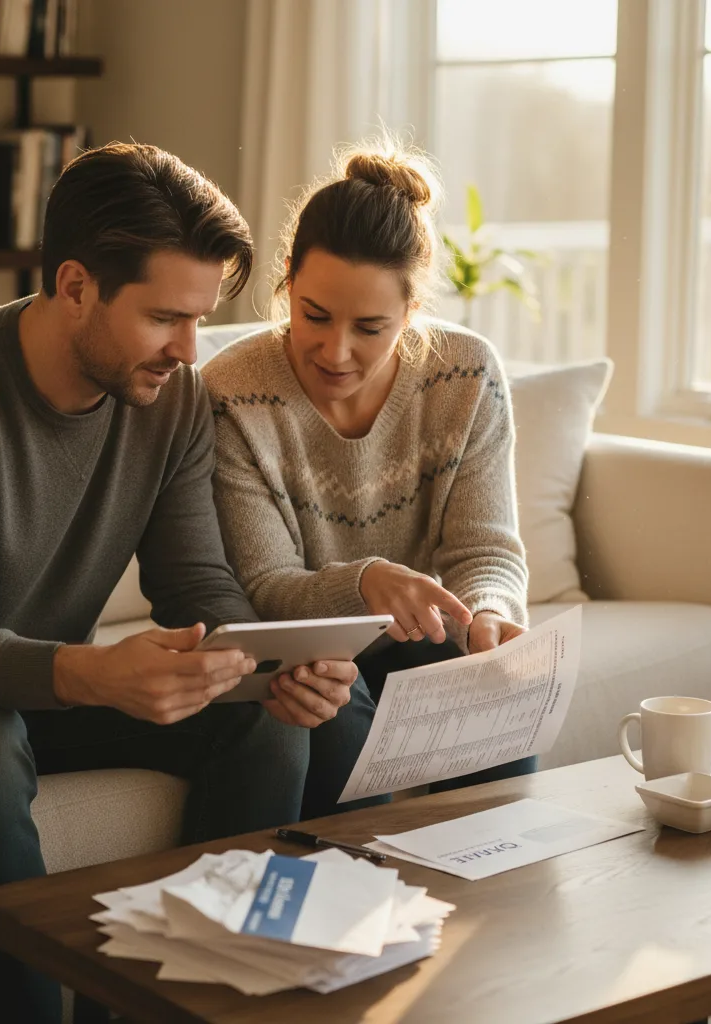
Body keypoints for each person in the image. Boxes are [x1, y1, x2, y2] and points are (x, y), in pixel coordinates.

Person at [0, 143, 373, 1024]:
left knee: (261, 726)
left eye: (200, 318)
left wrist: (267, 664)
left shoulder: (168, 402)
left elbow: (196, 584)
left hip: (24, 694)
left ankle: (190, 1005)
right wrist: (88, 672)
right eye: (165, 316)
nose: (188, 348)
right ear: (75, 286)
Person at [201, 139, 535, 794]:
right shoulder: (231, 394)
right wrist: (366, 583)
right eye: (314, 316)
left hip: (424, 641)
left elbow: (486, 550)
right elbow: (265, 584)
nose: (336, 352)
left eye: (371, 327)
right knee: (337, 727)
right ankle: (365, 891)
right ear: (288, 282)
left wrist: (490, 612)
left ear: (412, 312)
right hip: (306, 649)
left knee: (502, 711)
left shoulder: (465, 375)